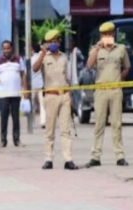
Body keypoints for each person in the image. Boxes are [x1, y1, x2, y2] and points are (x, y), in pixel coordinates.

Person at [85, 22, 131, 168]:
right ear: (101, 36)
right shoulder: (96, 49)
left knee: (117, 124)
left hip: (116, 90)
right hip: (101, 90)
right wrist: (97, 48)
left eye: (110, 34)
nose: (108, 36)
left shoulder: (121, 49)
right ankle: (95, 156)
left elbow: (127, 67)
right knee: (99, 124)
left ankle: (120, 156)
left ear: (114, 34)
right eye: (105, 34)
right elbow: (89, 65)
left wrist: (120, 78)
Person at [33, 29, 78, 171]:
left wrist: (71, 96)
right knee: (50, 130)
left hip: (64, 95)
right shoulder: (43, 57)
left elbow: (68, 78)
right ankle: (48, 159)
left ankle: (68, 159)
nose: (54, 43)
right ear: (46, 44)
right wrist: (42, 53)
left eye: (56, 41)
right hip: (50, 95)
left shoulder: (64, 57)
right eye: (51, 42)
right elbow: (34, 69)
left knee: (66, 130)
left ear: (59, 42)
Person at [0, 40, 26, 147]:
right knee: (4, 117)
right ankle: (3, 140)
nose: (6, 50)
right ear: (2, 49)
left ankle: (17, 140)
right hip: (3, 94)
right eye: (4, 48)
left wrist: (25, 88)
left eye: (8, 48)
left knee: (15, 118)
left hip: (16, 93)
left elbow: (23, 74)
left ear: (12, 48)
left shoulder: (18, 59)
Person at [67, 38, 85, 114]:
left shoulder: (77, 51)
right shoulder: (70, 53)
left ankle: (78, 109)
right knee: (73, 94)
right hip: (72, 78)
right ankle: (75, 108)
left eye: (69, 44)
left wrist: (79, 68)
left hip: (77, 77)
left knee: (77, 95)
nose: (68, 46)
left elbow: (83, 59)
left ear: (73, 44)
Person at [31, 45, 46, 129]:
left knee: (32, 104)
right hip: (41, 84)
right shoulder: (43, 58)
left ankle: (32, 122)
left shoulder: (31, 59)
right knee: (42, 104)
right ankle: (43, 122)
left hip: (32, 85)